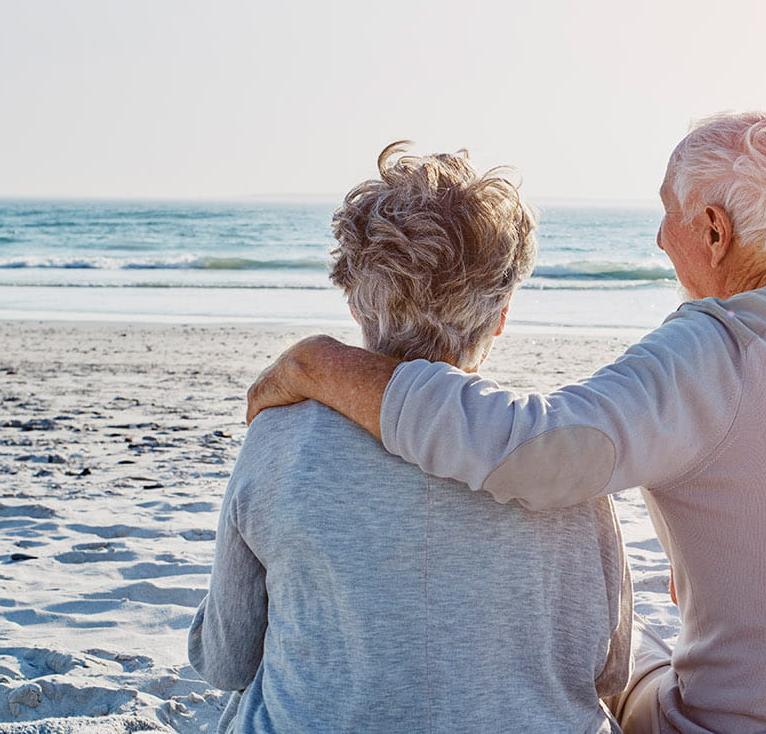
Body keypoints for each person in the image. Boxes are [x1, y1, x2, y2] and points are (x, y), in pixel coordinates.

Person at [245, 113, 766, 733]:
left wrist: (321, 364)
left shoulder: (714, 348)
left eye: (669, 214)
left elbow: (534, 453)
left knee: (629, 674)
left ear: (715, 230)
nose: (661, 240)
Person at [189, 142, 633, 733]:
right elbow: (611, 670)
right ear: (501, 314)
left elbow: (223, 660)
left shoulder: (278, 438)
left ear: (354, 302)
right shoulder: (554, 451)